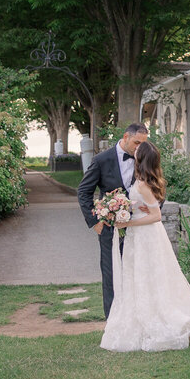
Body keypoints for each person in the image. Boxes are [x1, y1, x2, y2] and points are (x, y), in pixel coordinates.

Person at [100, 141, 190, 351]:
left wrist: (128, 222)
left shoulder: (144, 184)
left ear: (142, 158)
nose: (134, 152)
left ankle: (156, 317)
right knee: (140, 276)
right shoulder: (143, 181)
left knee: (148, 276)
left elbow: (156, 216)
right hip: (140, 235)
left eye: (137, 151)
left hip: (146, 236)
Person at [77, 123, 149, 318]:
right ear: (126, 137)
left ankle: (137, 318)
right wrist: (95, 222)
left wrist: (151, 210)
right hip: (109, 228)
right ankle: (113, 322)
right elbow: (84, 192)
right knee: (111, 275)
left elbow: (157, 188)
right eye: (136, 142)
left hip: (139, 228)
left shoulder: (144, 158)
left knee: (137, 273)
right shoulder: (101, 160)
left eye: (143, 144)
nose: (139, 148)